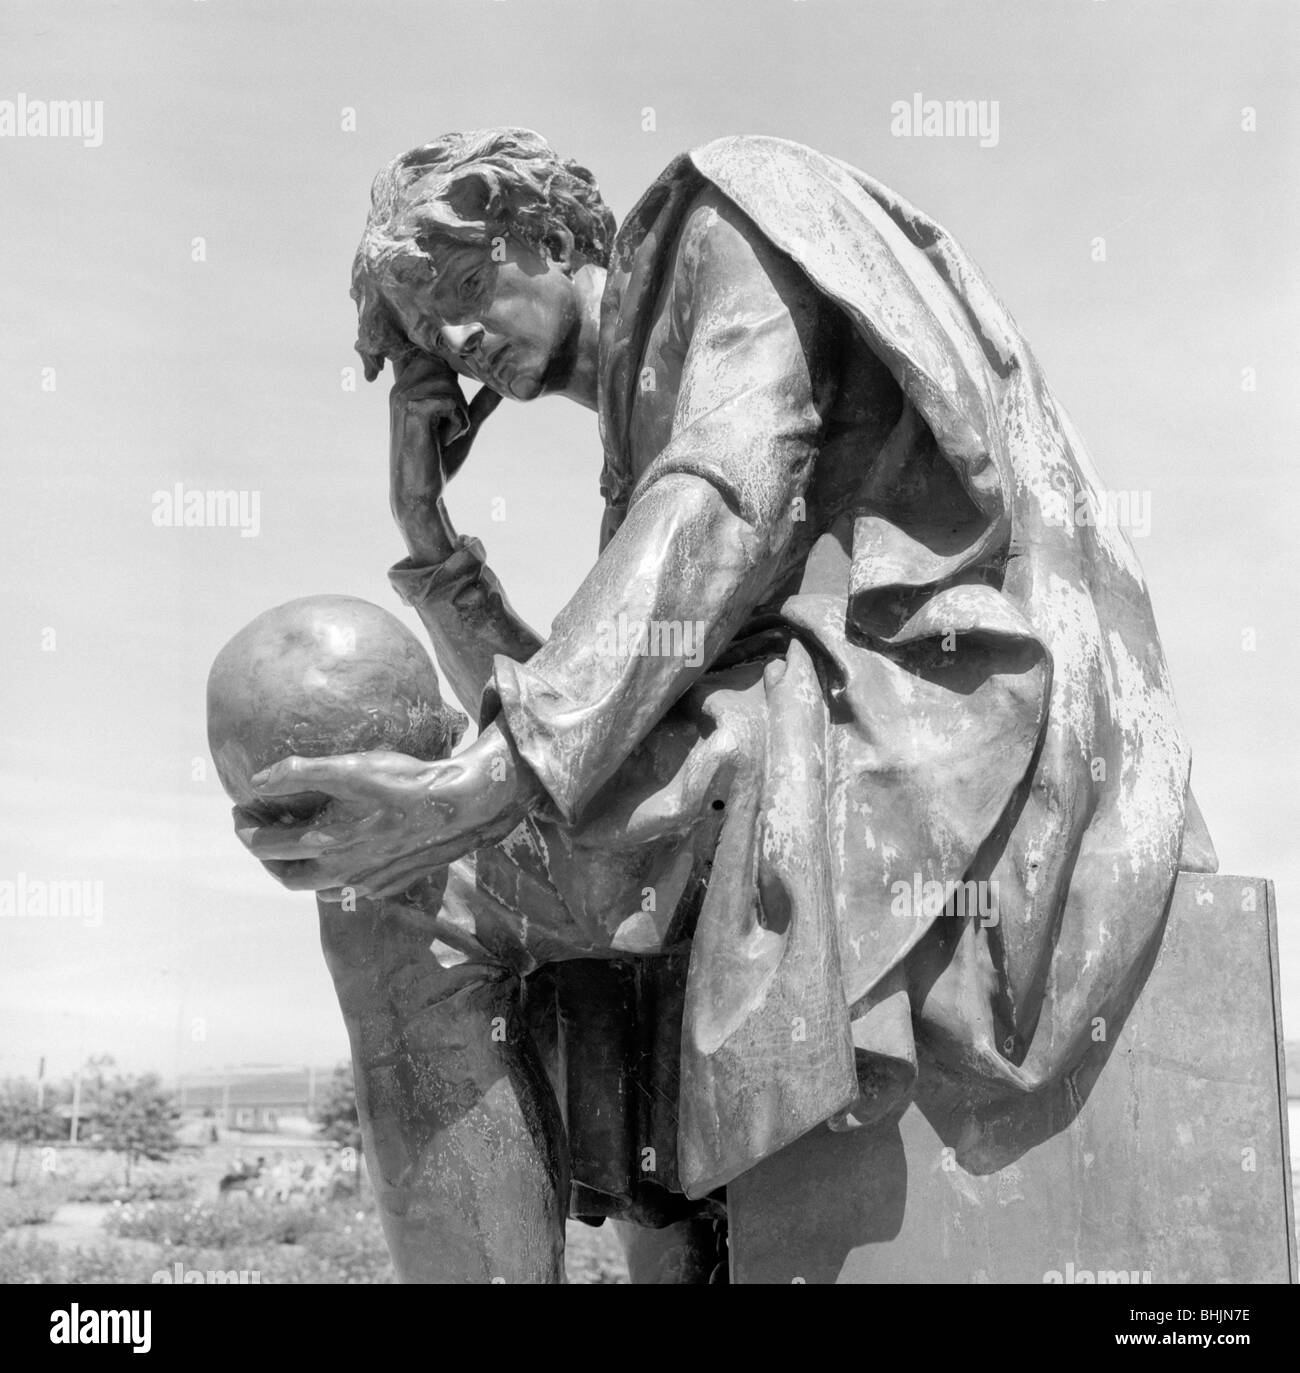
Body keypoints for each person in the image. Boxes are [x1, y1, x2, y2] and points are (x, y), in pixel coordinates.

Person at [236, 128, 1217, 1268]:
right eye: (425, 338)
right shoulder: (635, 445)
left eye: (461, 287)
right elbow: (596, 722)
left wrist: (486, 777)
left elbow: (728, 490)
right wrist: (430, 542)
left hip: (941, 709)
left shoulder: (721, 216)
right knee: (427, 873)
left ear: (550, 234)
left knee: (403, 892)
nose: (456, 340)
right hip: (799, 726)